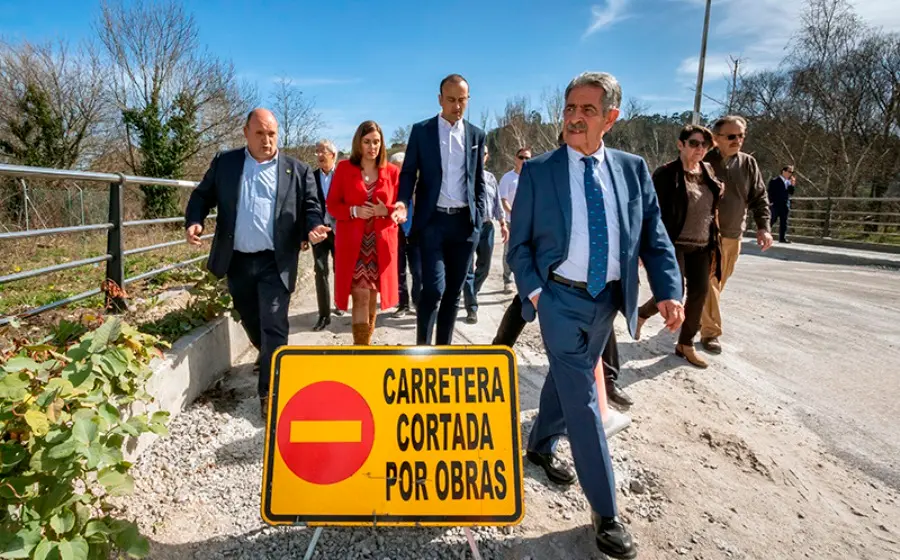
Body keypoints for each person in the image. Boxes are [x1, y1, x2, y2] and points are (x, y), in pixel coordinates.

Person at [508, 72, 683, 559]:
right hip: (559, 300)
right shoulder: (540, 171)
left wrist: (668, 289)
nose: (574, 118)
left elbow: (654, 236)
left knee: (572, 376)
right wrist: (538, 293)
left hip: (608, 300)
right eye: (569, 108)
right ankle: (606, 512)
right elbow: (518, 244)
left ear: (611, 117)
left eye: (587, 110)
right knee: (584, 397)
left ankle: (540, 444)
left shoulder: (631, 169)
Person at [184, 108, 330, 418]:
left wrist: (313, 226)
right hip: (237, 260)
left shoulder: (297, 171)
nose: (267, 140)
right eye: (260, 133)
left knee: (274, 324)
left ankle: (271, 393)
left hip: (276, 262)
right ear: (246, 132)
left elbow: (312, 207)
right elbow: (202, 196)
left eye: (272, 134)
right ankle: (268, 355)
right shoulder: (226, 163)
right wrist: (194, 220)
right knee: (252, 321)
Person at [397, 74, 487, 345]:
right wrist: (402, 202)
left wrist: (478, 219)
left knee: (453, 294)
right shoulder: (422, 131)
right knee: (433, 289)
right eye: (451, 100)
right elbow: (409, 172)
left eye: (462, 100)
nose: (457, 106)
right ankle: (423, 353)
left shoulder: (476, 135)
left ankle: (443, 355)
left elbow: (478, 180)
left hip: (464, 225)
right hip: (432, 222)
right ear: (440, 100)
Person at [635, 125, 724, 368]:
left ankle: (685, 343)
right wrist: (646, 247)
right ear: (680, 145)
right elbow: (649, 213)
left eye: (705, 145)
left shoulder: (708, 171)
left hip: (703, 243)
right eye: (694, 143)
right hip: (673, 243)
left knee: (699, 293)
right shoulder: (666, 174)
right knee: (676, 292)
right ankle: (642, 314)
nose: (700, 149)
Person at [326, 120, 404, 344]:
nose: (372, 147)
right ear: (358, 143)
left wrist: (386, 210)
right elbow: (332, 205)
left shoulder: (391, 172)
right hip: (354, 245)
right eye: (367, 142)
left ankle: (366, 345)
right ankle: (360, 348)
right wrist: (354, 211)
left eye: (377, 142)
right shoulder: (344, 168)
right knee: (359, 296)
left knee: (371, 297)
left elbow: (401, 206)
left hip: (380, 244)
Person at [700, 115, 773, 354]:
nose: (737, 140)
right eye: (732, 136)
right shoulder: (703, 161)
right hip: (706, 235)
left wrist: (763, 227)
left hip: (734, 234)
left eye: (741, 135)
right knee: (710, 281)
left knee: (719, 283)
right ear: (716, 138)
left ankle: (696, 313)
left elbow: (759, 197)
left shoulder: (748, 163)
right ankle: (710, 333)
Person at [462, 144, 508, 324]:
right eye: (478, 153)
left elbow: (497, 202)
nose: (482, 156)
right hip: (468, 226)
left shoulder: (490, 178)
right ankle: (471, 307)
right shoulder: (465, 176)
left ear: (487, 156)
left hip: (488, 226)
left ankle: (471, 291)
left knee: (485, 266)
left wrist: (503, 223)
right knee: (468, 269)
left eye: (485, 153)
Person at [311, 139, 340, 332]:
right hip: (319, 231)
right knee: (320, 271)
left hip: (340, 231)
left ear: (333, 155)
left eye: (323, 152)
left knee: (341, 269)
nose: (320, 155)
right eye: (317, 152)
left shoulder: (343, 175)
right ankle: (324, 315)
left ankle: (340, 303)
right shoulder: (310, 176)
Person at [390, 151, 422, 318]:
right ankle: (402, 304)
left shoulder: (418, 186)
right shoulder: (390, 188)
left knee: (418, 271)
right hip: (397, 233)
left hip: (416, 233)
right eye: (396, 169)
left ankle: (417, 302)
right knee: (399, 270)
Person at [498, 147, 532, 293]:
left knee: (528, 252)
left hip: (530, 221)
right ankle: (507, 280)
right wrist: (513, 213)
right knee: (509, 252)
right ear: (515, 158)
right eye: (521, 157)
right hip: (512, 221)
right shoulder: (508, 178)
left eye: (528, 158)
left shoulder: (533, 176)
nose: (524, 160)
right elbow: (503, 200)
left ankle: (526, 280)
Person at [768, 165, 795, 243]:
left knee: (784, 221)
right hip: (776, 204)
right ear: (784, 171)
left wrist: (792, 185)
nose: (791, 174)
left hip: (785, 204)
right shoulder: (775, 180)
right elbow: (770, 192)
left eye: (792, 172)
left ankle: (782, 238)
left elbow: (791, 193)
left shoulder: (788, 182)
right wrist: (771, 202)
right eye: (789, 172)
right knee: (772, 220)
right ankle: (765, 234)